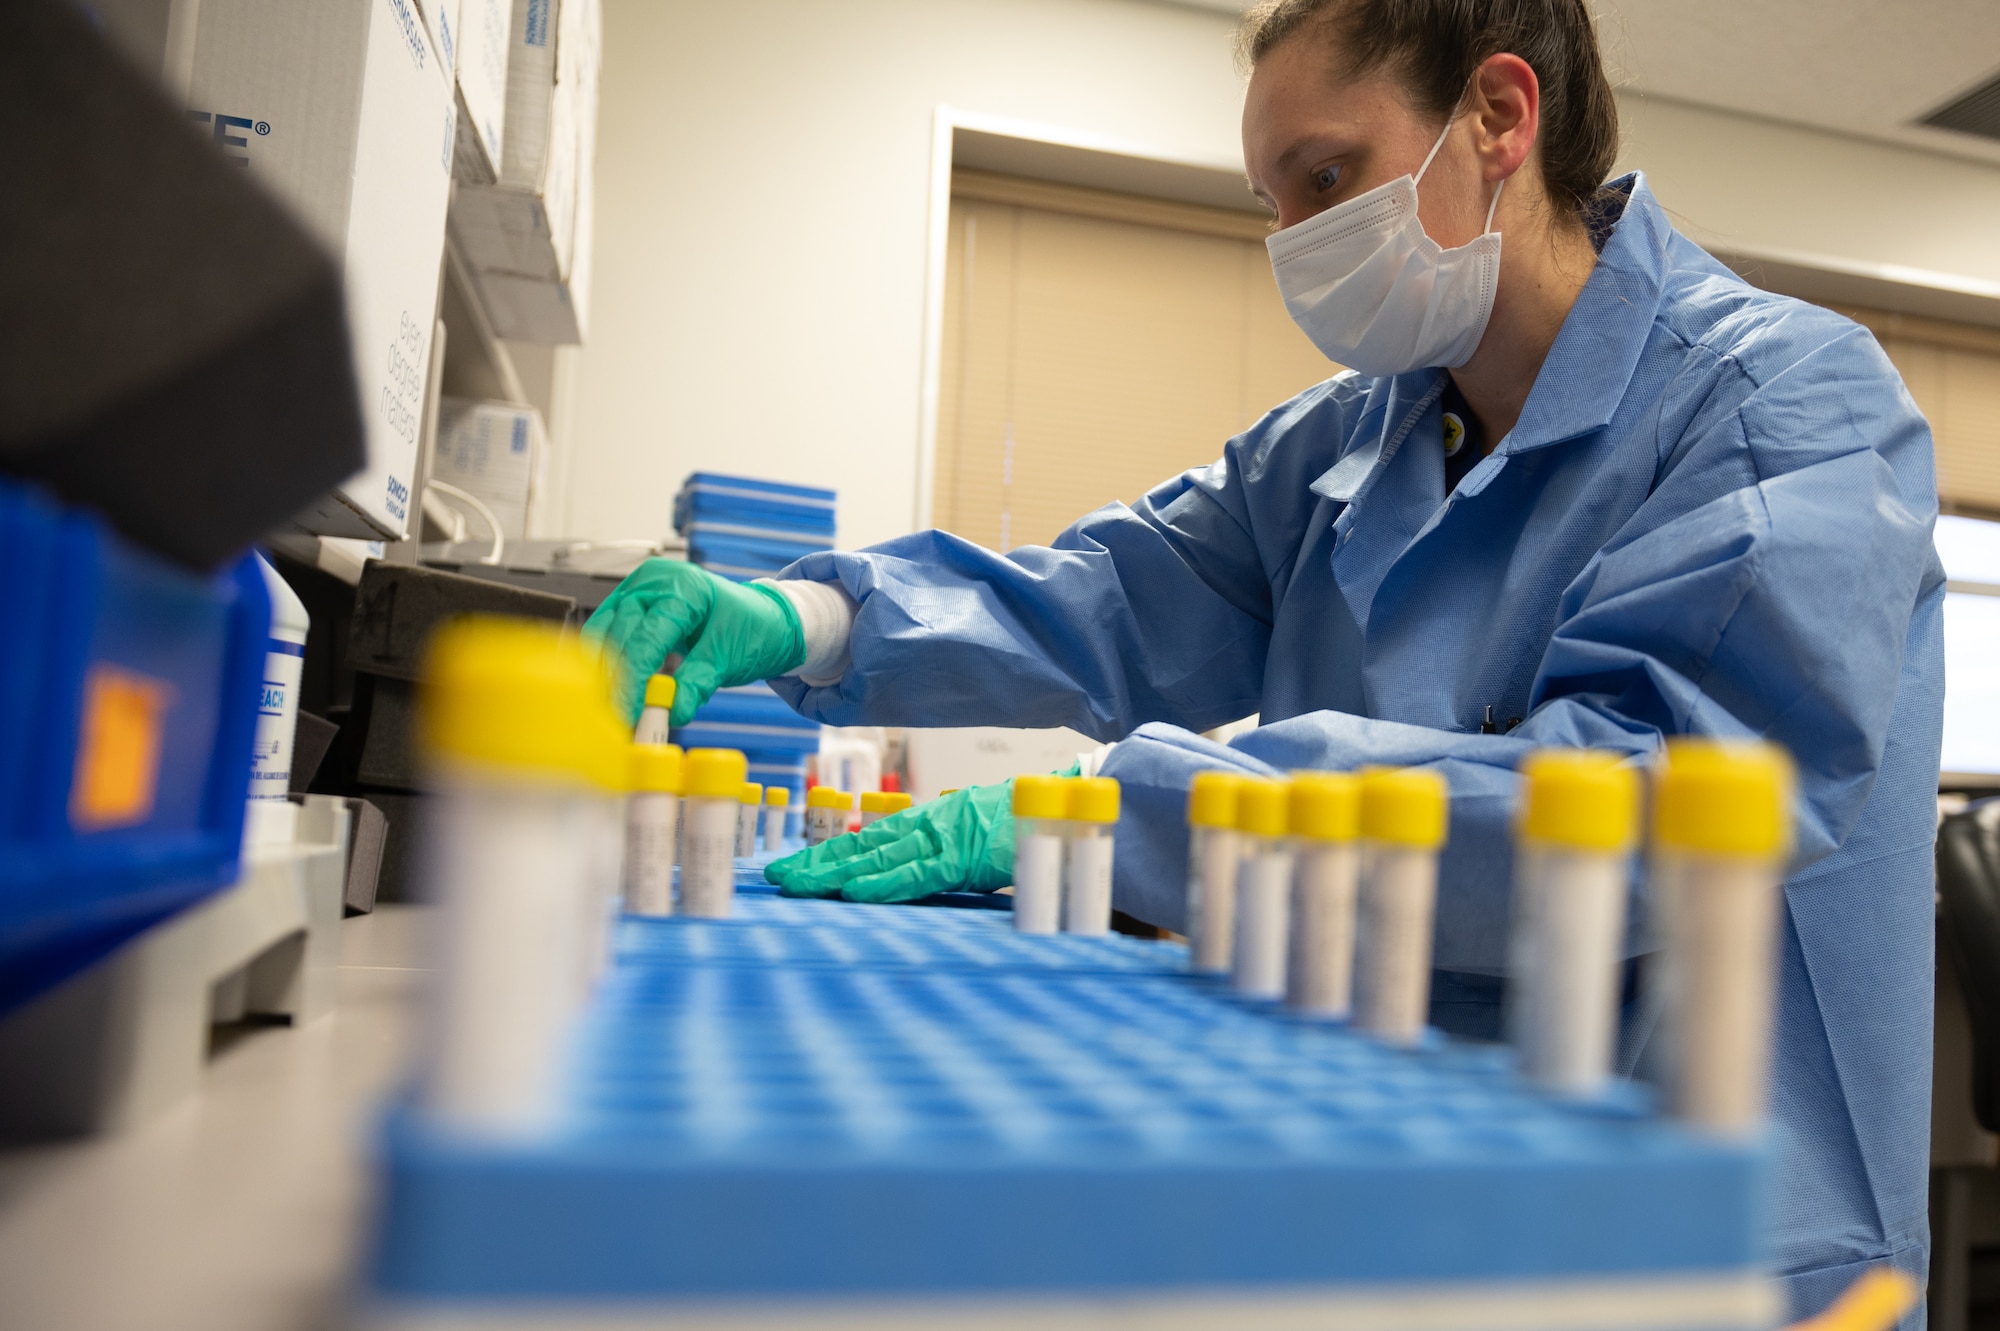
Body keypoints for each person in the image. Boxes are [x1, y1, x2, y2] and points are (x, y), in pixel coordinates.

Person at [583, 0, 1943, 1320]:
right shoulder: (1344, 446)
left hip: (1698, 1224)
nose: (1293, 242)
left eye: (1326, 178)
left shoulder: (1781, 409)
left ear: (1498, 114)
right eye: (1271, 204)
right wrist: (804, 618)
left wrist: (1146, 808)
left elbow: (1645, 810)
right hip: (1402, 1167)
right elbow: (1110, 591)